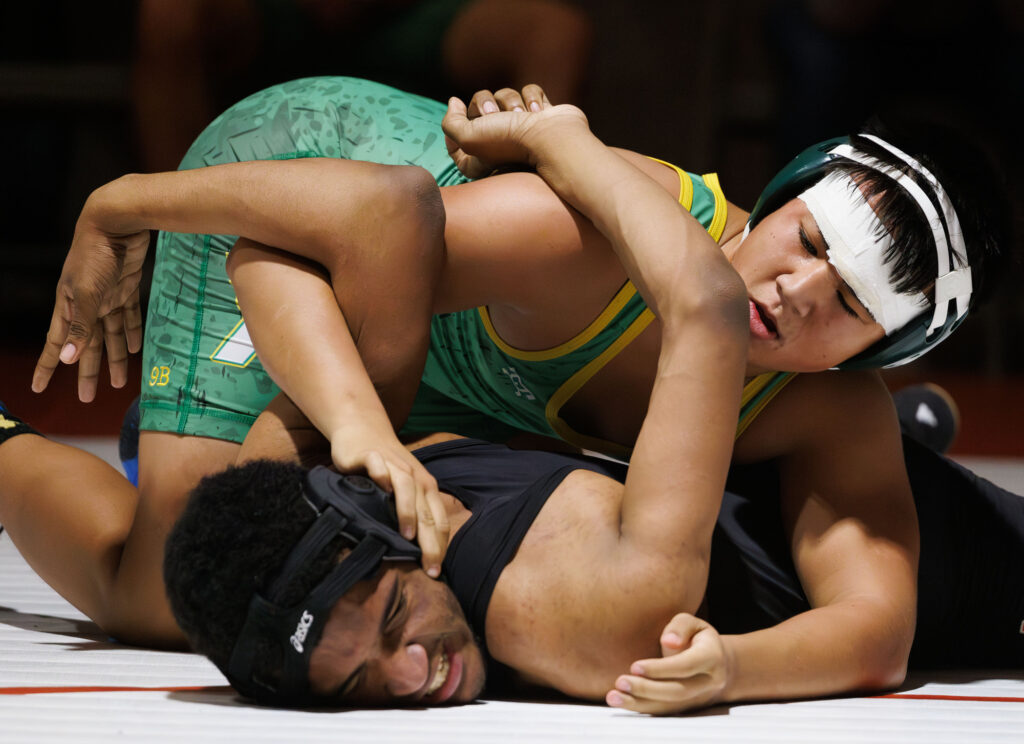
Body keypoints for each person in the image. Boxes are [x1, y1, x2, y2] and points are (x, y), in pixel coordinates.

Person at [28, 77, 1009, 693]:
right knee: (159, 595)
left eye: (848, 306)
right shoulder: (597, 243)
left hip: (414, 346)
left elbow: (876, 629)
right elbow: (287, 255)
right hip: (295, 194)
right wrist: (124, 206)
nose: (797, 294)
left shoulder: (828, 409)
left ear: (879, 354)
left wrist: (736, 669)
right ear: (784, 196)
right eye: (806, 243)